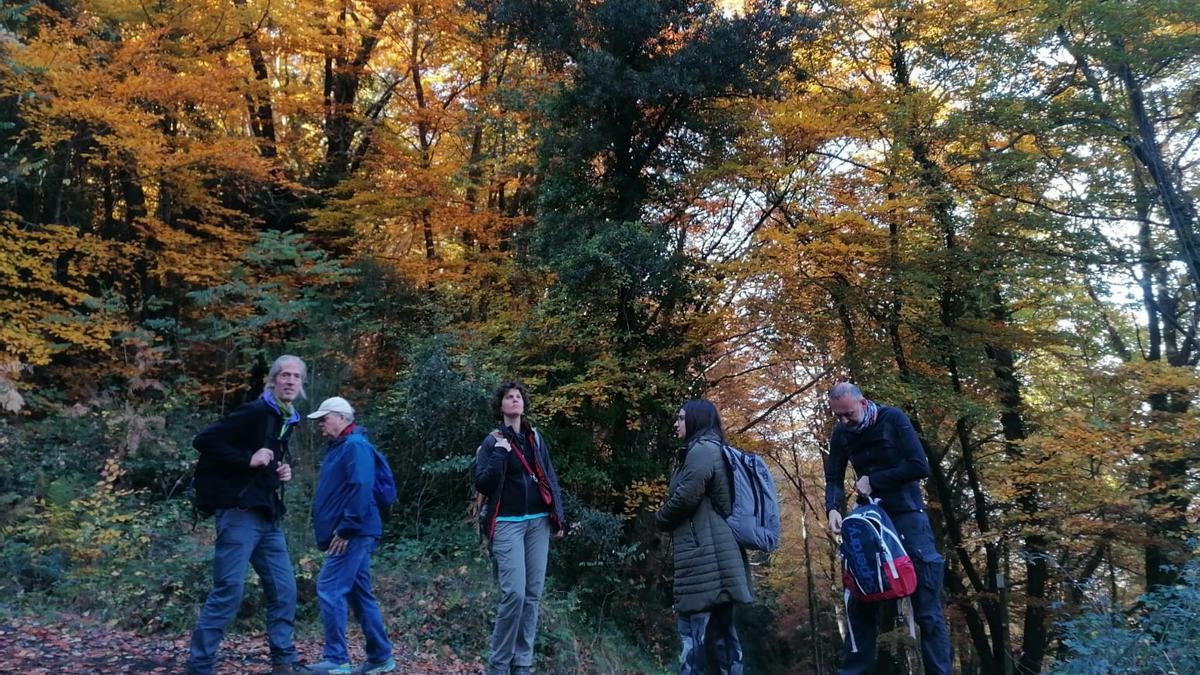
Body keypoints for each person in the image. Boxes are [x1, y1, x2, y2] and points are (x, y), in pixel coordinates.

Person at [186, 355, 315, 675]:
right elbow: (204, 440)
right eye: (284, 375)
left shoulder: (287, 417)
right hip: (239, 515)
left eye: (296, 376)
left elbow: (267, 460)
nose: (290, 381)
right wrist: (248, 458)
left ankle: (284, 661)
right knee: (229, 590)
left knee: (285, 589)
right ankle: (199, 666)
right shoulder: (256, 411)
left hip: (267, 517)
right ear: (272, 380)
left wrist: (281, 470)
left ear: (301, 384)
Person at [824, 382, 951, 675]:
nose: (843, 421)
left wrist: (874, 480)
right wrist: (833, 507)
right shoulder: (842, 432)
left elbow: (920, 465)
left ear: (863, 403)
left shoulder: (893, 419)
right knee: (860, 602)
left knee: (927, 611)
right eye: (838, 416)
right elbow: (833, 476)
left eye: (848, 414)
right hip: (870, 520)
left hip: (908, 515)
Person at [474, 381, 566, 675]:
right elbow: (483, 484)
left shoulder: (535, 438)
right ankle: (499, 665)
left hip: (538, 523)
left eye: (518, 397)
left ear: (523, 404)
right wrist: (501, 452)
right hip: (507, 524)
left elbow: (549, 477)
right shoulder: (492, 442)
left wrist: (558, 517)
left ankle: (521, 664)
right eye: (508, 397)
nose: (514, 400)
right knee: (513, 593)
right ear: (500, 406)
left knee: (532, 594)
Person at [656, 400, 752, 675]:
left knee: (699, 640)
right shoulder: (711, 449)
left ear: (697, 420)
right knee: (720, 639)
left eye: (681, 418)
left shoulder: (701, 451)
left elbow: (685, 497)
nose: (676, 424)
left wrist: (660, 518)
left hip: (708, 558)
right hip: (714, 556)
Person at [306, 396, 396, 674]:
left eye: (325, 418)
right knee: (360, 594)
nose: (321, 424)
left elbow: (361, 486)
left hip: (353, 532)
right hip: (355, 530)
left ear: (342, 418)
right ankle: (381, 656)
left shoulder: (354, 446)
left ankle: (336, 659)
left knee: (329, 588)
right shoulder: (342, 446)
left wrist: (346, 528)